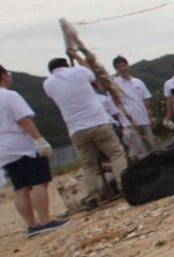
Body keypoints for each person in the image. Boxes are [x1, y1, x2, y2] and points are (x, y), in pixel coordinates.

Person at [43, 54, 129, 208]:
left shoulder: (48, 84)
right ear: (67, 64)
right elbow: (90, 72)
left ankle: (91, 196)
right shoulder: (78, 72)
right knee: (116, 153)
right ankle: (124, 185)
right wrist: (77, 56)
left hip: (76, 128)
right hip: (98, 121)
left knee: (88, 164)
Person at [0, 64, 70, 237]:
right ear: (3, 76)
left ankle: (31, 225)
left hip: (4, 149)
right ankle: (45, 220)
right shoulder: (9, 96)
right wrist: (40, 140)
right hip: (21, 144)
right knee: (38, 182)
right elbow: (24, 119)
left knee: (20, 186)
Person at [111, 55, 156, 162]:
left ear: (127, 65)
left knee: (150, 147)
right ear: (116, 69)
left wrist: (151, 116)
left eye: (123, 65)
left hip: (144, 119)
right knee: (137, 150)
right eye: (119, 67)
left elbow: (146, 100)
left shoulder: (138, 82)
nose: (122, 68)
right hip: (129, 122)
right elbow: (113, 103)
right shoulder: (114, 85)